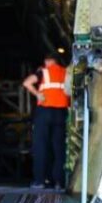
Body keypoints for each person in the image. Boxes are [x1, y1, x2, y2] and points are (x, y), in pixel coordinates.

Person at [23, 53, 71, 191]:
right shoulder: (65, 72)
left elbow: (26, 82)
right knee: (59, 147)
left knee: (41, 146)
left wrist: (37, 94)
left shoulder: (42, 71)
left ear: (47, 61)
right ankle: (59, 182)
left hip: (44, 111)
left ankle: (40, 181)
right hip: (61, 112)